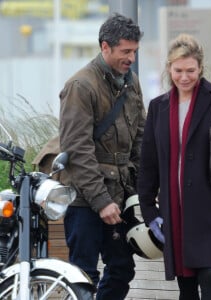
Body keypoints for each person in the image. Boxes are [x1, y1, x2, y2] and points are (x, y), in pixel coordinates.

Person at [137, 33, 211, 300]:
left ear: (200, 68)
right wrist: (149, 209)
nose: (184, 77)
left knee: (210, 277)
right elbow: (148, 163)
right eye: (178, 70)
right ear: (169, 68)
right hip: (175, 210)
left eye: (190, 70)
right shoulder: (158, 107)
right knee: (187, 285)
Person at [59, 13, 145, 300]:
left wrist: (143, 191)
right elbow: (77, 150)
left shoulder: (131, 83)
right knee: (83, 275)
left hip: (120, 194)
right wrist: (101, 202)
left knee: (122, 268)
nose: (131, 58)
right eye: (125, 51)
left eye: (134, 51)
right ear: (104, 47)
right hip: (85, 197)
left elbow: (140, 139)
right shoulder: (81, 86)